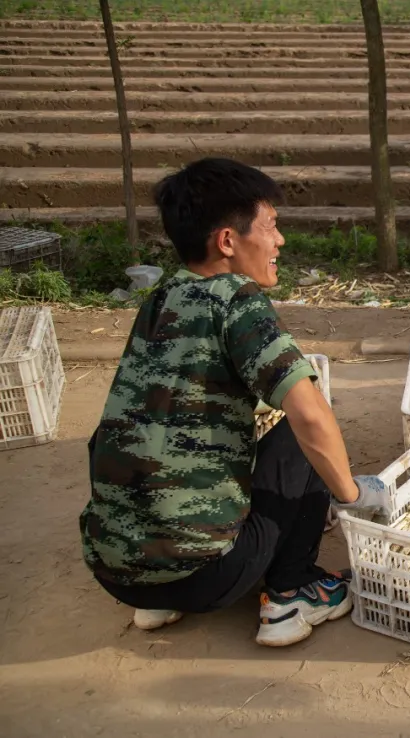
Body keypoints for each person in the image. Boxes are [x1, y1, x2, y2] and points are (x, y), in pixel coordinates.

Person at [78, 157, 385, 648]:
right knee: (299, 431)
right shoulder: (235, 300)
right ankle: (291, 593)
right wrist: (351, 496)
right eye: (271, 227)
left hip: (114, 573)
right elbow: (309, 414)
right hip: (211, 577)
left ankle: (156, 598)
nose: (279, 241)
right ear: (228, 241)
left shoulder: (160, 298)